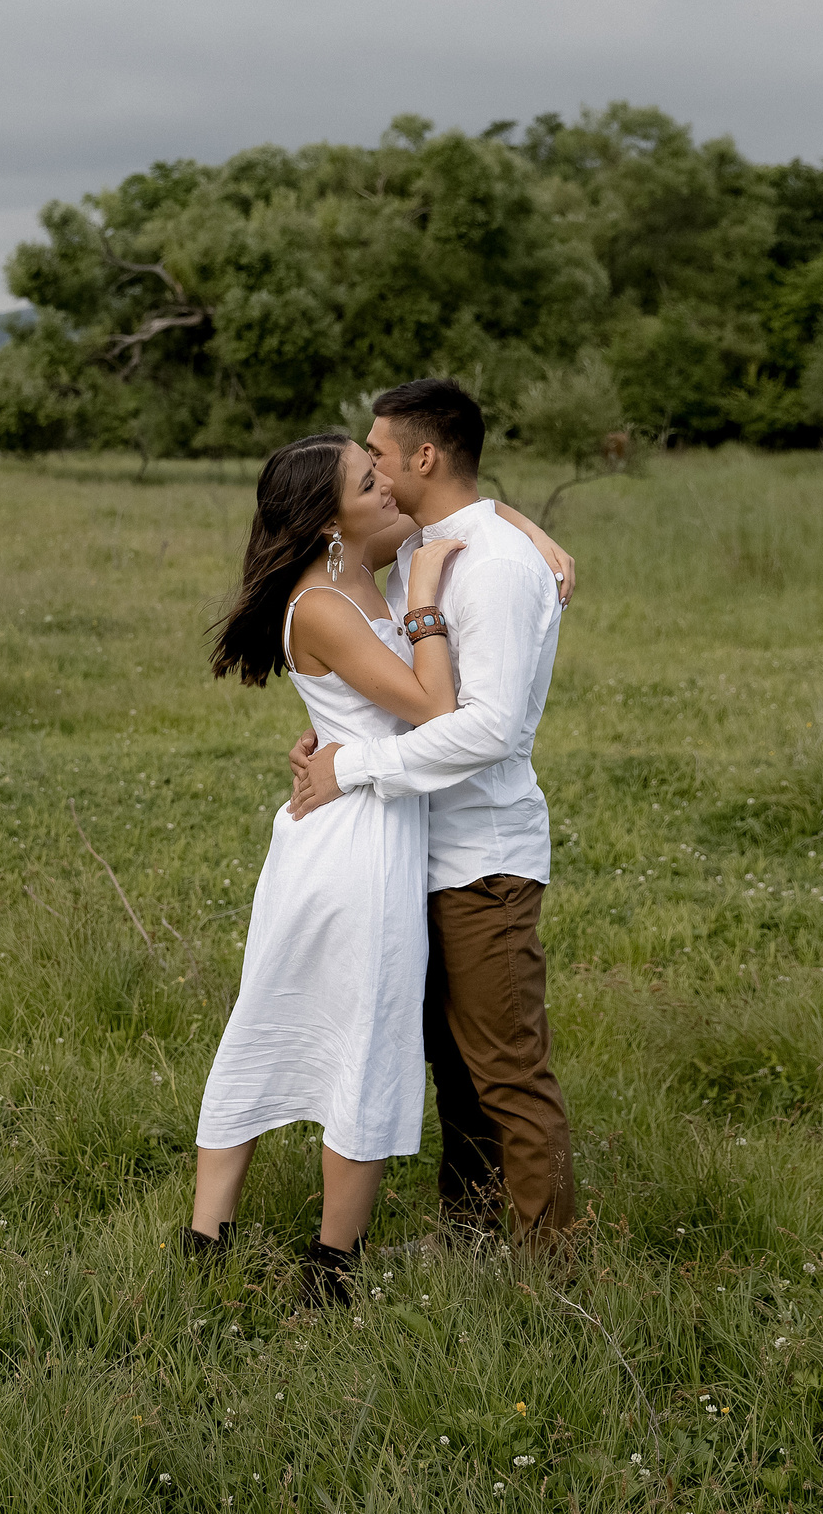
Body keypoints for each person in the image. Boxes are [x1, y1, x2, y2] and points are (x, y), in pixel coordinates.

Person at [192, 429, 572, 1304]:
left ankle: (248, 1242)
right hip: (356, 840)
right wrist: (430, 598)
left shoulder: (368, 560)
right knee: (334, 1030)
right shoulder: (330, 598)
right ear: (332, 519)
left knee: (308, 1018)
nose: (391, 488)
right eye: (370, 482)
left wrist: (539, 535)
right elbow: (437, 704)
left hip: (371, 821)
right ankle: (306, 1258)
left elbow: (464, 503)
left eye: (384, 469)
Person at [287, 377, 579, 1253]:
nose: (369, 466)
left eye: (377, 452)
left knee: (506, 1068)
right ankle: (472, 1228)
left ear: (424, 456)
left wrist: (354, 767)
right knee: (455, 1066)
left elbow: (486, 727)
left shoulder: (488, 564)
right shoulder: (439, 539)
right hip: (421, 849)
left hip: (484, 855)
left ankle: (549, 1264)